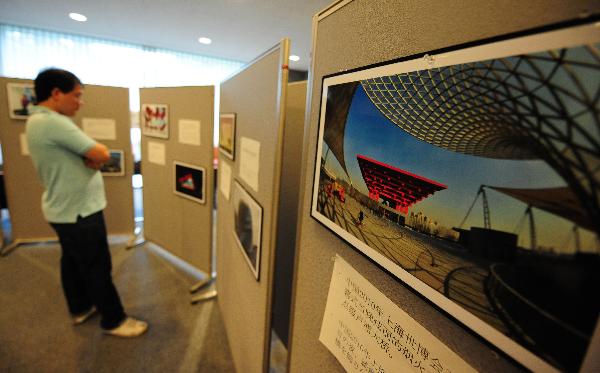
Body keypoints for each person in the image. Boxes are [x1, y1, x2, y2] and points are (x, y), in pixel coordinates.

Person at [26, 68, 147, 337]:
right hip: (79, 212)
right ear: (56, 94)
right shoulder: (54, 122)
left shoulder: (37, 120)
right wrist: (95, 157)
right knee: (97, 266)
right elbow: (102, 153)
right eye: (77, 95)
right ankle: (114, 320)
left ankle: (80, 308)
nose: (81, 102)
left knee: (72, 261)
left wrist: (91, 159)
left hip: (63, 210)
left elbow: (90, 157)